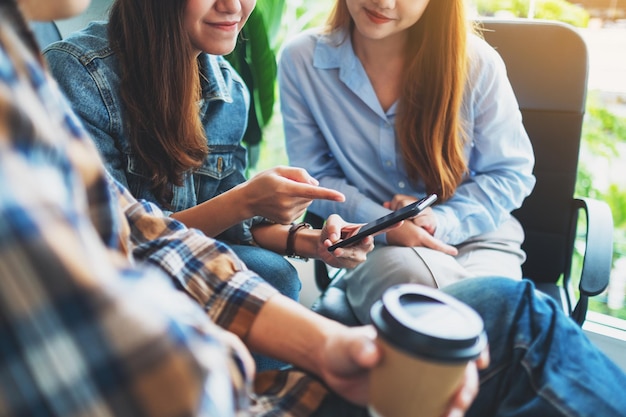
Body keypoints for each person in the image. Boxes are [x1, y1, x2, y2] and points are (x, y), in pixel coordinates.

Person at [4, 1, 626, 416]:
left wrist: (310, 249)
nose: (237, 5)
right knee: (479, 324)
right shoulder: (69, 80)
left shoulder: (224, 87)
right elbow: (127, 242)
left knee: (495, 314)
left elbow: (150, 236)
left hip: (465, 239)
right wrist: (360, 224)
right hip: (240, 384)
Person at [42, 0, 345, 308]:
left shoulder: (228, 90)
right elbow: (110, 244)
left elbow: (228, 223)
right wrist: (244, 200)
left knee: (273, 276)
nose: (233, 6)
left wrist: (314, 241)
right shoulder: (79, 74)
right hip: (102, 290)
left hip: (173, 265)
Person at [278, 0, 537, 323]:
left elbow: (510, 174)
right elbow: (316, 177)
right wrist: (386, 223)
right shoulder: (302, 60)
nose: (383, 2)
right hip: (378, 245)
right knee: (432, 303)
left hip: (476, 236)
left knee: (496, 310)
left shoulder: (477, 64)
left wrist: (439, 221)